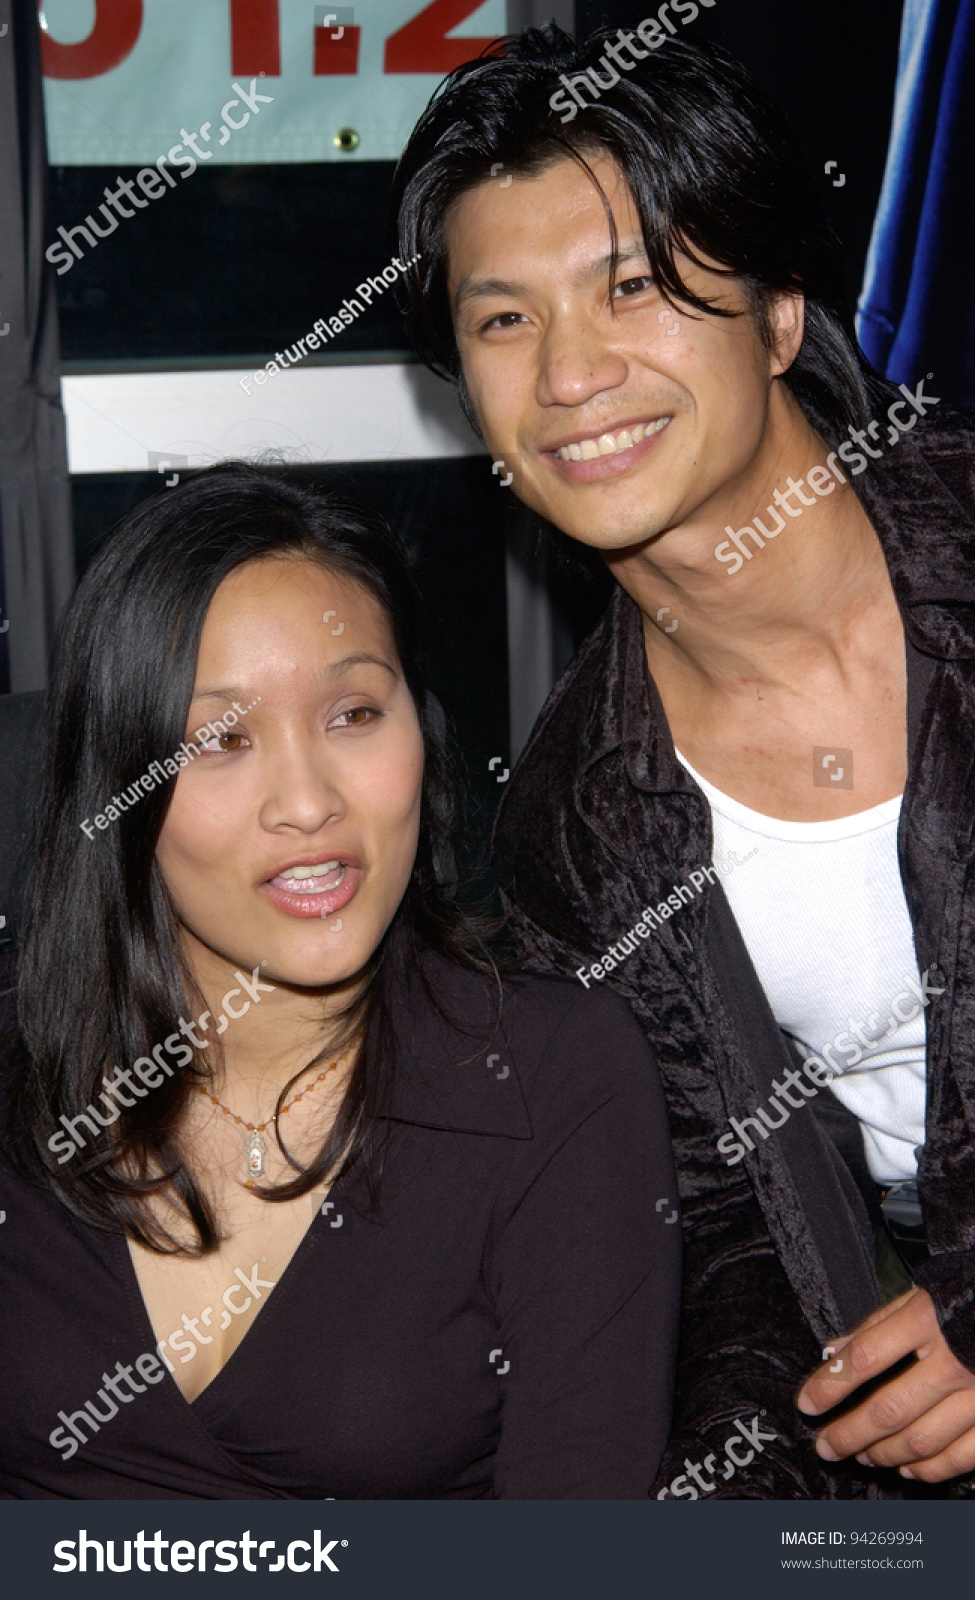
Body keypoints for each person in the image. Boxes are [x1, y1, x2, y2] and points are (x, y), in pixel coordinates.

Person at [392, 25, 975, 1497]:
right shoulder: (580, 822)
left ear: (776, 314)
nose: (573, 373)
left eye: (632, 286)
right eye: (502, 321)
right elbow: (721, 1218)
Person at [0, 464, 679, 1500]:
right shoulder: (20, 1079)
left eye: (355, 713)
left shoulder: (552, 1078)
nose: (309, 801)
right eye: (221, 738)